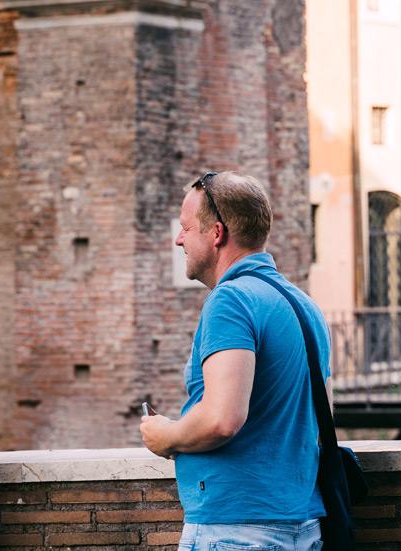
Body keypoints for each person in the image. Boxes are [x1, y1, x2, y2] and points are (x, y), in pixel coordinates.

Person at [140, 171, 332, 551]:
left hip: (237, 530)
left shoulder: (231, 301)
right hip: (302, 525)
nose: (178, 239)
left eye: (186, 228)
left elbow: (221, 419)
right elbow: (321, 416)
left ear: (216, 233)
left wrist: (166, 435)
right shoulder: (302, 304)